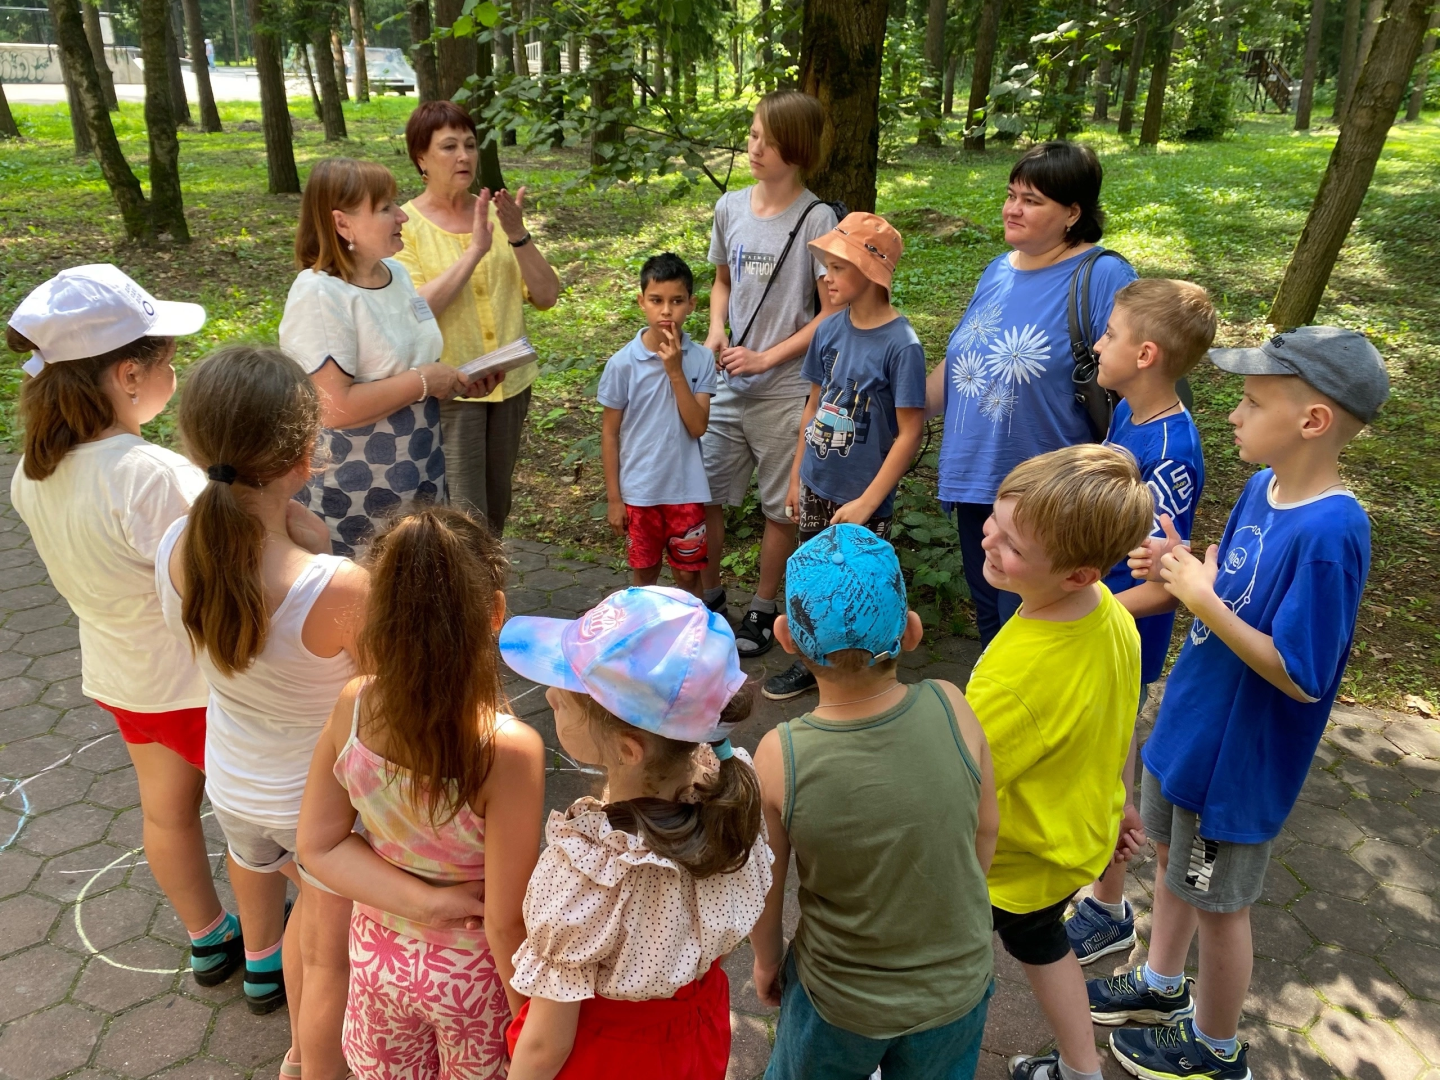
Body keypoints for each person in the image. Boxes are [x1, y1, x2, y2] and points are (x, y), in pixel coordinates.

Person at [1092, 328, 1388, 1080]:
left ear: (1312, 421)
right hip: (1193, 728)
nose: (1232, 415)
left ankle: (1216, 1049)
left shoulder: (1333, 530)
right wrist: (1184, 567)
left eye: (1253, 403)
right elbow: (1232, 587)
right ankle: (1160, 987)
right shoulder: (1264, 487)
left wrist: (1197, 595)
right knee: (1170, 862)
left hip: (1238, 761)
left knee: (1221, 908)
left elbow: (1300, 671)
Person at [6, 265, 244, 990]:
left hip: (123, 680)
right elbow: (213, 591)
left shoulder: (31, 473)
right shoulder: (154, 474)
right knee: (253, 822)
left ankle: (208, 938)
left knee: (166, 813)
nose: (178, 373)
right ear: (130, 375)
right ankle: (271, 952)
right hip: (199, 685)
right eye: (171, 362)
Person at [156, 345, 363, 1079]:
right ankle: (310, 1065)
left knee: (264, 878)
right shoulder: (339, 588)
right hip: (316, 807)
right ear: (305, 453)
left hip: (235, 784)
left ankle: (259, 975)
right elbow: (380, 702)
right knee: (325, 952)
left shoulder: (177, 546)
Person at [299, 508, 546, 1080]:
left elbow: (318, 846)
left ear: (375, 614)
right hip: (473, 982)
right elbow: (506, 923)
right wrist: (530, 1027)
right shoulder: (507, 749)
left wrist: (422, 905)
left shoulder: (355, 705)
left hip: (378, 960)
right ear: (495, 613)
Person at [750, 525, 998, 1080]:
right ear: (911, 632)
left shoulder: (780, 755)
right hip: (956, 987)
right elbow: (985, 831)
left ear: (787, 636)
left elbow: (764, 886)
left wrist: (767, 960)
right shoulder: (953, 704)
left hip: (839, 1001)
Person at [497, 587, 773, 1080]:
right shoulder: (732, 803)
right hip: (696, 1032)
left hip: (610, 1058)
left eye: (567, 695)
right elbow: (718, 940)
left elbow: (545, 1045)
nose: (549, 694)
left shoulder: (582, 873)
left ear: (629, 750)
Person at [963, 444, 1152, 1080]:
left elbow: (964, 782)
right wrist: (1123, 800)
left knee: (923, 954)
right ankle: (1081, 1069)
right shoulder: (1111, 617)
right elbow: (1123, 720)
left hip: (1006, 862)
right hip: (1073, 839)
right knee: (1043, 944)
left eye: (1012, 543)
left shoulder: (1019, 678)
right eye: (995, 519)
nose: (988, 539)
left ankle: (887, 1052)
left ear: (1077, 573)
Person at [925, 140, 1137, 647]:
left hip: (1046, 502)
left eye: (1032, 200)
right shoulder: (1000, 268)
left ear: (1072, 213)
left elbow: (1137, 378)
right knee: (994, 633)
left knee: (1035, 637)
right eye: (1011, 193)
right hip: (978, 485)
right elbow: (962, 363)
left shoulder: (1102, 274)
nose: (1012, 208)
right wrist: (896, 412)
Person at [1062, 279, 1215, 966]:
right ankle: (1100, 888)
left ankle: (1109, 905)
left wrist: (1083, 616)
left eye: (1112, 334)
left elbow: (1166, 585)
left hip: (1124, 639)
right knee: (1095, 764)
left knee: (1108, 773)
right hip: (1100, 623)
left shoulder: (1171, 450)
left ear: (1146, 353)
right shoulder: (1130, 414)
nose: (1098, 343)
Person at [278, 157, 497, 557]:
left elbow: (406, 367)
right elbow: (333, 408)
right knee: (367, 604)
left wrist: (455, 383)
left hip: (420, 472)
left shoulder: (396, 274)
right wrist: (427, 381)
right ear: (342, 223)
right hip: (357, 494)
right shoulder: (320, 295)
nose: (402, 216)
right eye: (384, 208)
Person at [764, 212, 925, 701]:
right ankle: (814, 665)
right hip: (816, 481)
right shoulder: (830, 330)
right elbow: (813, 406)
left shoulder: (902, 345)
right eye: (827, 266)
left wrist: (869, 503)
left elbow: (909, 433)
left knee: (860, 585)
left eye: (838, 267)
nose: (827, 278)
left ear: (872, 273)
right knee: (813, 573)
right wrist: (795, 478)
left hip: (863, 497)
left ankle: (863, 677)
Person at [702, 89, 841, 650]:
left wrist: (766, 356)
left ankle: (762, 609)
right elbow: (721, 282)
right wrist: (716, 330)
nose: (755, 148)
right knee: (705, 494)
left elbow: (832, 312)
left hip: (785, 391)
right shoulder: (730, 207)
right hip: (727, 385)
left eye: (769, 141)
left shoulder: (818, 217)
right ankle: (709, 599)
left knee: (780, 506)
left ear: (798, 150)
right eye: (754, 134)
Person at [393, 101, 561, 535]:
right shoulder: (403, 226)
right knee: (462, 519)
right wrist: (475, 252)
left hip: (508, 388)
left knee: (496, 511)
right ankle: (466, 598)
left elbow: (546, 296)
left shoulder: (496, 215)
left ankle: (489, 598)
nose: (464, 156)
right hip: (449, 394)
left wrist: (518, 234)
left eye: (469, 144)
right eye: (448, 146)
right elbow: (415, 311)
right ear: (421, 158)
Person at [600, 253, 716, 596]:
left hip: (686, 491)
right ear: (642, 302)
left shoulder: (701, 359)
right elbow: (609, 432)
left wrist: (676, 371)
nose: (667, 311)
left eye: (677, 301)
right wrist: (614, 499)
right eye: (657, 300)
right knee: (644, 577)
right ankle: (644, 641)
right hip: (640, 492)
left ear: (692, 304)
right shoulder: (622, 364)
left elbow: (698, 426)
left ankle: (693, 643)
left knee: (687, 579)